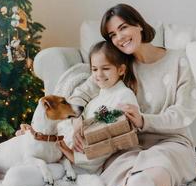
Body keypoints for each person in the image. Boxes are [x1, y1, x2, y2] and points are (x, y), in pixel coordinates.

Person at [69, 3, 196, 186]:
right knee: (125, 178)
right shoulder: (120, 66)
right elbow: (81, 93)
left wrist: (143, 120)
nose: (119, 37)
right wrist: (76, 119)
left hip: (172, 143)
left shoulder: (177, 60)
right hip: (128, 146)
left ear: (139, 24)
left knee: (144, 181)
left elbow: (183, 113)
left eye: (123, 28)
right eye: (113, 34)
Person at [57, 40, 139, 174]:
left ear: (121, 70)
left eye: (105, 68)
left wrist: (75, 157)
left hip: (82, 161)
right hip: (65, 146)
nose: (99, 74)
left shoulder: (123, 96)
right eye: (94, 69)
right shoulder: (99, 95)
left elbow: (109, 138)